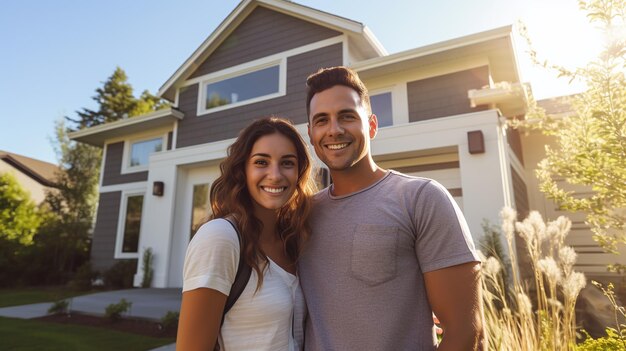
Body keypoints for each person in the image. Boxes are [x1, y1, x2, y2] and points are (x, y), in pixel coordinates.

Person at [299, 66, 485, 350]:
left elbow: (466, 331)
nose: (334, 130)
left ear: (372, 125)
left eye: (347, 116)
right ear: (311, 134)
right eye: (322, 120)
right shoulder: (301, 215)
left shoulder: (420, 198)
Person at [177, 117, 316, 351]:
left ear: (299, 173)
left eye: (287, 163)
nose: (275, 175)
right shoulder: (220, 237)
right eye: (261, 162)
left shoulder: (292, 240)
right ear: (243, 169)